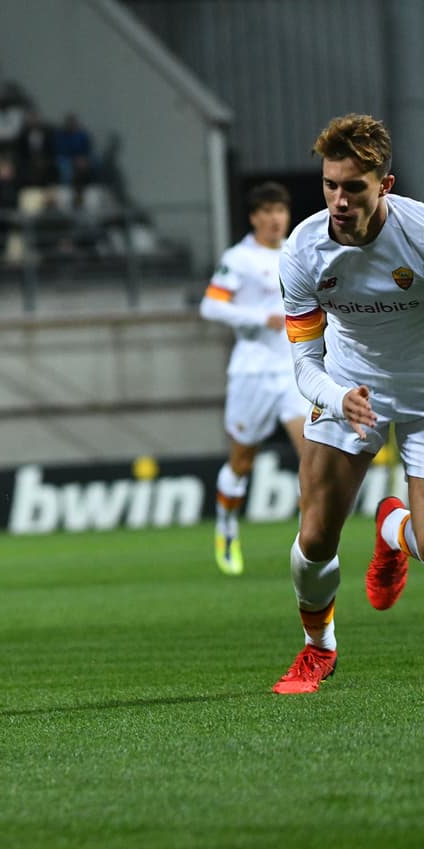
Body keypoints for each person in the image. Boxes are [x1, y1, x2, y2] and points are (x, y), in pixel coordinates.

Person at [272, 114, 424, 693]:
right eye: (330, 185)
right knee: (314, 539)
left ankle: (393, 530)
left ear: (385, 185)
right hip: (348, 386)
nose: (339, 200)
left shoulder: (418, 234)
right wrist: (339, 397)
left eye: (354, 187)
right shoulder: (303, 250)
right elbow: (304, 365)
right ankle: (319, 648)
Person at [199, 182, 304, 576]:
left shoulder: (298, 250)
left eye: (281, 210)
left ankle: (310, 542)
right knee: (241, 462)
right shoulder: (239, 258)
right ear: (255, 217)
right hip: (252, 370)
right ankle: (227, 526)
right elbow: (210, 306)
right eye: (269, 211)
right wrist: (261, 317)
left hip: (293, 369)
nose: (276, 218)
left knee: (312, 455)